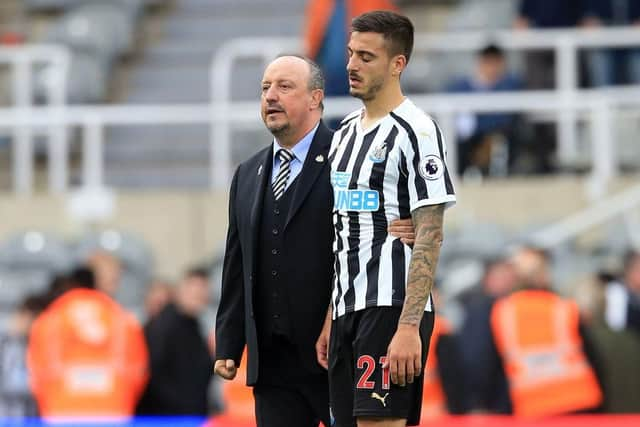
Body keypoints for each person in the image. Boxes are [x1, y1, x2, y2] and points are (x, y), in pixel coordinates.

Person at [214, 54, 414, 427]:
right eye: (265, 88)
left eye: (284, 87)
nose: (270, 96)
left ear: (315, 99)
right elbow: (237, 263)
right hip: (273, 365)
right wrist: (228, 342)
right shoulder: (247, 173)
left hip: (336, 353)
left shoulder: (348, 160)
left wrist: (407, 224)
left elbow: (376, 240)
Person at [323, 11, 456, 427]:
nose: (351, 65)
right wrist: (331, 314)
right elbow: (343, 229)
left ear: (397, 64)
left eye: (366, 56)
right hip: (347, 309)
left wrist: (408, 325)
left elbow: (430, 232)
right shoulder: (343, 132)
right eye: (350, 54)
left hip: (390, 307)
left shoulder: (416, 129)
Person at [487, 246, 604, 417]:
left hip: (532, 406)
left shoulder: (502, 313)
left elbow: (492, 367)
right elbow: (593, 357)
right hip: (578, 401)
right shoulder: (564, 307)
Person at [27, 267, 148, 419]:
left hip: (61, 411)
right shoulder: (123, 319)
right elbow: (139, 371)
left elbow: (36, 373)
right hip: (113, 410)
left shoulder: (49, 320)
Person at [137, 267, 213, 415]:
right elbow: (153, 374)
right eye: (194, 291)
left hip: (187, 415)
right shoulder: (163, 326)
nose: (198, 296)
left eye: (202, 292)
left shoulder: (195, 326)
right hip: (167, 416)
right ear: (180, 291)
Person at [446, 44, 523, 177]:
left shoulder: (511, 85)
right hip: (468, 141)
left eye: (495, 63)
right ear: (480, 63)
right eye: (488, 63)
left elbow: (506, 119)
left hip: (497, 136)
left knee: (499, 140)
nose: (492, 68)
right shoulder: (460, 87)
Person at [0, 294, 45, 417]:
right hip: (8, 416)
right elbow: (13, 384)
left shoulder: (42, 345)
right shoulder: (6, 344)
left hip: (34, 416)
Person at [581, 0, 640, 87]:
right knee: (599, 61)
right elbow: (584, 14)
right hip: (602, 41)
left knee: (636, 63)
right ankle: (602, 99)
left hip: (635, 41)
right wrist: (587, 17)